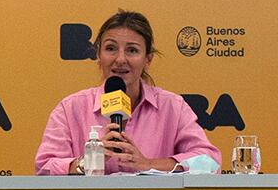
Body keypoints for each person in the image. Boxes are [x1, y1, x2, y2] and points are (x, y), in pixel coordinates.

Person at [36, 10, 219, 175]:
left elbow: (210, 162)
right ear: (98, 56)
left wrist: (148, 164)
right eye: (111, 48)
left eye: (132, 50)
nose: (120, 59)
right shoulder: (71, 108)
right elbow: (44, 167)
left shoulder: (173, 107)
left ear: (148, 59)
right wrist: (87, 162)